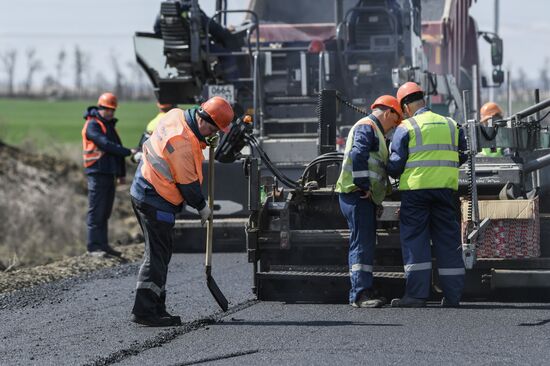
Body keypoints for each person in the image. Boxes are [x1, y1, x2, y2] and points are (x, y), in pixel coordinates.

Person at [129, 96, 234, 327]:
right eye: (213, 130)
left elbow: (186, 142)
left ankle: (156, 305)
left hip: (146, 187)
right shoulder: (183, 142)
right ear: (206, 122)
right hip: (154, 197)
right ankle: (145, 311)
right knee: (157, 255)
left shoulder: (176, 113)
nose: (211, 135)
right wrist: (202, 207)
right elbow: (188, 186)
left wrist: (206, 142)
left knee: (161, 253)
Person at [387, 82, 468, 308]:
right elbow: (461, 155)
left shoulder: (407, 127)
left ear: (405, 106)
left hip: (416, 193)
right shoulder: (451, 124)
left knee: (415, 240)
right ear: (423, 100)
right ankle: (453, 297)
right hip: (445, 190)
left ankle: (416, 296)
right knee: (448, 241)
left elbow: (394, 166)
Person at [335, 95, 403, 308]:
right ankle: (359, 294)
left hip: (362, 196)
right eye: (395, 120)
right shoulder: (368, 127)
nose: (394, 126)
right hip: (356, 194)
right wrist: (363, 185)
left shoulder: (376, 131)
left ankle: (364, 288)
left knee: (364, 244)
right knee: (361, 244)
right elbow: (358, 153)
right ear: (388, 112)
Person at [81, 92, 136, 257]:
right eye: (108, 109)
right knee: (96, 211)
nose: (111, 112)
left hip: (108, 174)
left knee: (105, 211)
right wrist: (129, 152)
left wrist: (121, 173)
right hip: (96, 173)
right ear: (100, 107)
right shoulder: (93, 125)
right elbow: (106, 145)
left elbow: (115, 149)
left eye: (113, 109)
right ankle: (93, 247)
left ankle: (103, 245)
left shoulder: (109, 125)